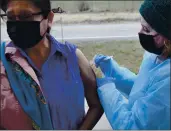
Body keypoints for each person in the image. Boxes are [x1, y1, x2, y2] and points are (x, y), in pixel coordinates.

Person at [0, 0, 103, 130]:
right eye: (10, 17)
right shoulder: (4, 62)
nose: (17, 23)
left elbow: (96, 105)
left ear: (48, 18)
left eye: (25, 16)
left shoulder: (72, 58)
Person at [93, 0, 171, 129]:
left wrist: (107, 88)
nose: (140, 32)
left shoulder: (168, 82)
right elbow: (143, 89)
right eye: (141, 26)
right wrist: (113, 72)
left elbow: (132, 126)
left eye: (146, 29)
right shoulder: (157, 56)